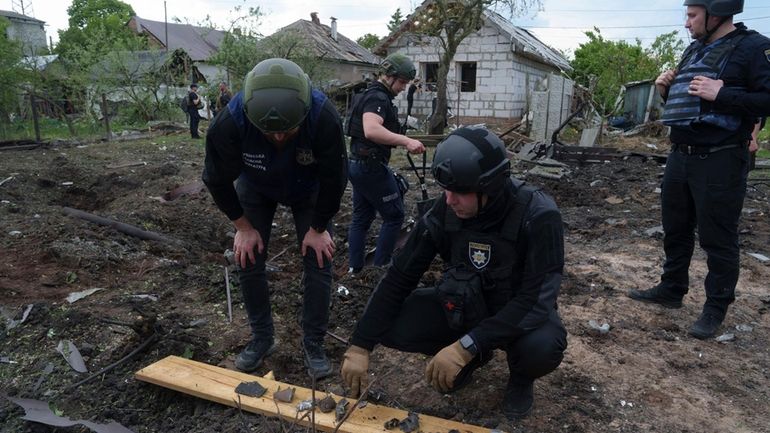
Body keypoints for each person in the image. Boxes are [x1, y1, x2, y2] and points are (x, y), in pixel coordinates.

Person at [341, 126, 568, 419]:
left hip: (518, 314)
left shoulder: (538, 215)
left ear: (490, 187)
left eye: (459, 192)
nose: (449, 200)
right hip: (466, 305)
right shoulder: (445, 210)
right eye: (446, 190)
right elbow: (400, 276)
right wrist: (361, 344)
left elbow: (536, 301)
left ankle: (520, 378)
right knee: (392, 323)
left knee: (542, 347)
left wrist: (467, 344)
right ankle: (474, 357)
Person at [628, 0, 770, 339]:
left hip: (721, 157)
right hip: (680, 155)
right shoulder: (694, 50)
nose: (687, 23)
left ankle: (715, 308)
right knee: (675, 228)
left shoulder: (754, 47)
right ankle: (671, 289)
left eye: (692, 15)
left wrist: (723, 94)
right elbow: (689, 101)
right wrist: (665, 90)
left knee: (717, 237)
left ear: (716, 13)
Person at [202, 58, 347, 378]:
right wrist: (242, 227)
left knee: (319, 258)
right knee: (247, 256)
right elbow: (215, 180)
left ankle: (314, 343)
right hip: (256, 186)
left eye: (288, 131)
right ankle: (262, 337)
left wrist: (319, 227)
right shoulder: (229, 123)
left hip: (309, 188)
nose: (280, 139)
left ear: (304, 113)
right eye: (271, 132)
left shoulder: (324, 117)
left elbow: (336, 179)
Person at [346, 53, 426, 274]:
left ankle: (356, 269)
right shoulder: (378, 98)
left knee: (362, 216)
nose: (402, 87)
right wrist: (406, 141)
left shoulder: (368, 94)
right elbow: (371, 130)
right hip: (370, 166)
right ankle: (381, 269)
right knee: (394, 216)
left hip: (357, 164)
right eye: (401, 82)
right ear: (389, 76)